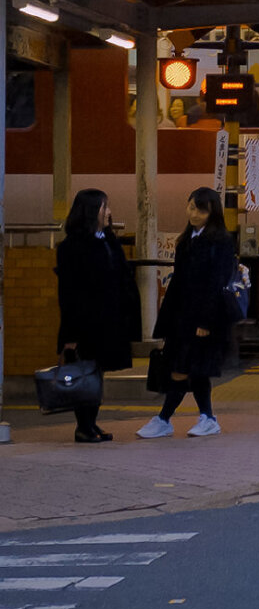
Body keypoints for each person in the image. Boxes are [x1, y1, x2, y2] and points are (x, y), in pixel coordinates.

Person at [137, 186, 235, 439]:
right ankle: (204, 417)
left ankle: (166, 418)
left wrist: (206, 320)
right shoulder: (187, 240)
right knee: (192, 368)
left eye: (199, 209)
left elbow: (217, 282)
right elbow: (179, 281)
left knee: (184, 368)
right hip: (181, 316)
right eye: (191, 207)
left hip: (203, 318)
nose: (193, 213)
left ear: (211, 212)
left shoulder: (221, 241)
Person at [56, 188, 141, 443]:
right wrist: (69, 335)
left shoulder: (108, 240)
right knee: (86, 374)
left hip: (108, 321)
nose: (109, 212)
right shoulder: (71, 246)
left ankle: (91, 423)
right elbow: (68, 292)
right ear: (92, 211)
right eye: (105, 207)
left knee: (98, 373)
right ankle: (83, 426)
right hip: (85, 323)